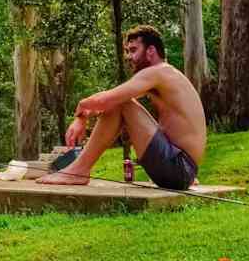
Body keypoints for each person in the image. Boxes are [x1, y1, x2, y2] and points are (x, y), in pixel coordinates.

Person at [38, 24, 206, 191]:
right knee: (121, 102)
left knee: (122, 103)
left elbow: (106, 101)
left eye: (133, 50)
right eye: (127, 51)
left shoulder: (157, 72)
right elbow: (103, 106)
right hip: (183, 170)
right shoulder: (165, 75)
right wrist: (83, 116)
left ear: (151, 51)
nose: (128, 57)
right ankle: (78, 168)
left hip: (178, 168)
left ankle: (79, 169)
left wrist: (81, 108)